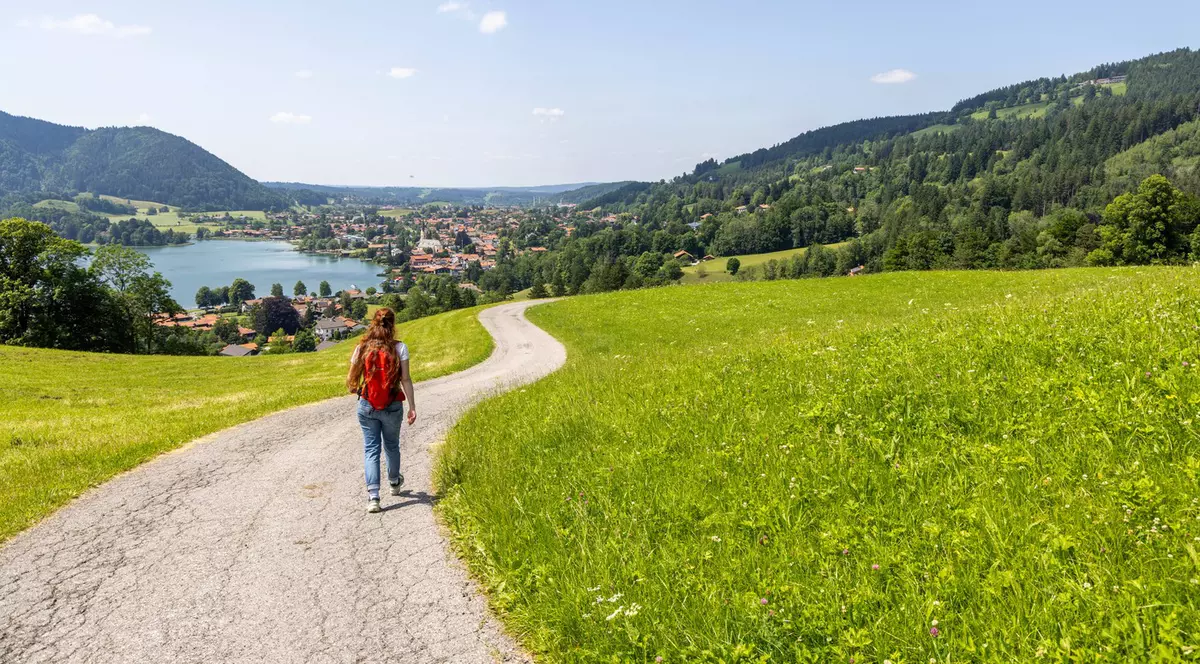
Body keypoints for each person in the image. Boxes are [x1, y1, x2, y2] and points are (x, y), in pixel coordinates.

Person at [346, 308, 417, 513]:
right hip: (393, 404)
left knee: (371, 449)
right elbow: (405, 379)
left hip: (367, 405)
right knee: (392, 446)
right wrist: (412, 406)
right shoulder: (400, 348)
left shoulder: (362, 348)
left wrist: (362, 391)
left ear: (373, 323)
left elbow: (351, 382)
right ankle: (394, 482)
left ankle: (374, 498)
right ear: (393, 324)